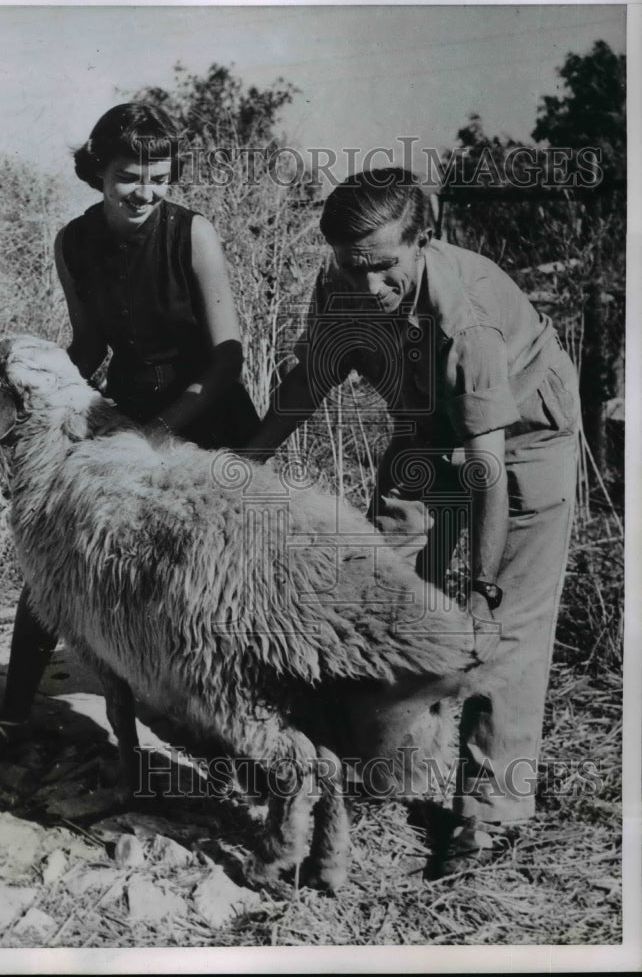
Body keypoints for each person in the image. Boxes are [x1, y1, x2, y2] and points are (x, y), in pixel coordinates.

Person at [242, 167, 580, 873]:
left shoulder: (467, 321)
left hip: (520, 441)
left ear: (424, 241)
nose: (367, 286)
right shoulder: (343, 283)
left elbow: (486, 470)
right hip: (424, 431)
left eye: (383, 266)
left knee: (503, 632)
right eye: (351, 266)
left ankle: (487, 813)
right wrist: (241, 468)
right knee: (375, 597)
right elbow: (310, 380)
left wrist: (481, 590)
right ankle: (367, 768)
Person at [0, 102, 260, 768]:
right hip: (126, 409)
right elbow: (89, 345)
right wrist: (39, 396)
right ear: (97, 173)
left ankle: (239, 728)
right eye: (129, 176)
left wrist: (159, 435)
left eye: (159, 177)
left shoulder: (193, 234)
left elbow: (227, 359)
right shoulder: (73, 242)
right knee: (55, 554)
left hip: (209, 413)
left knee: (219, 573)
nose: (145, 192)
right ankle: (13, 712)